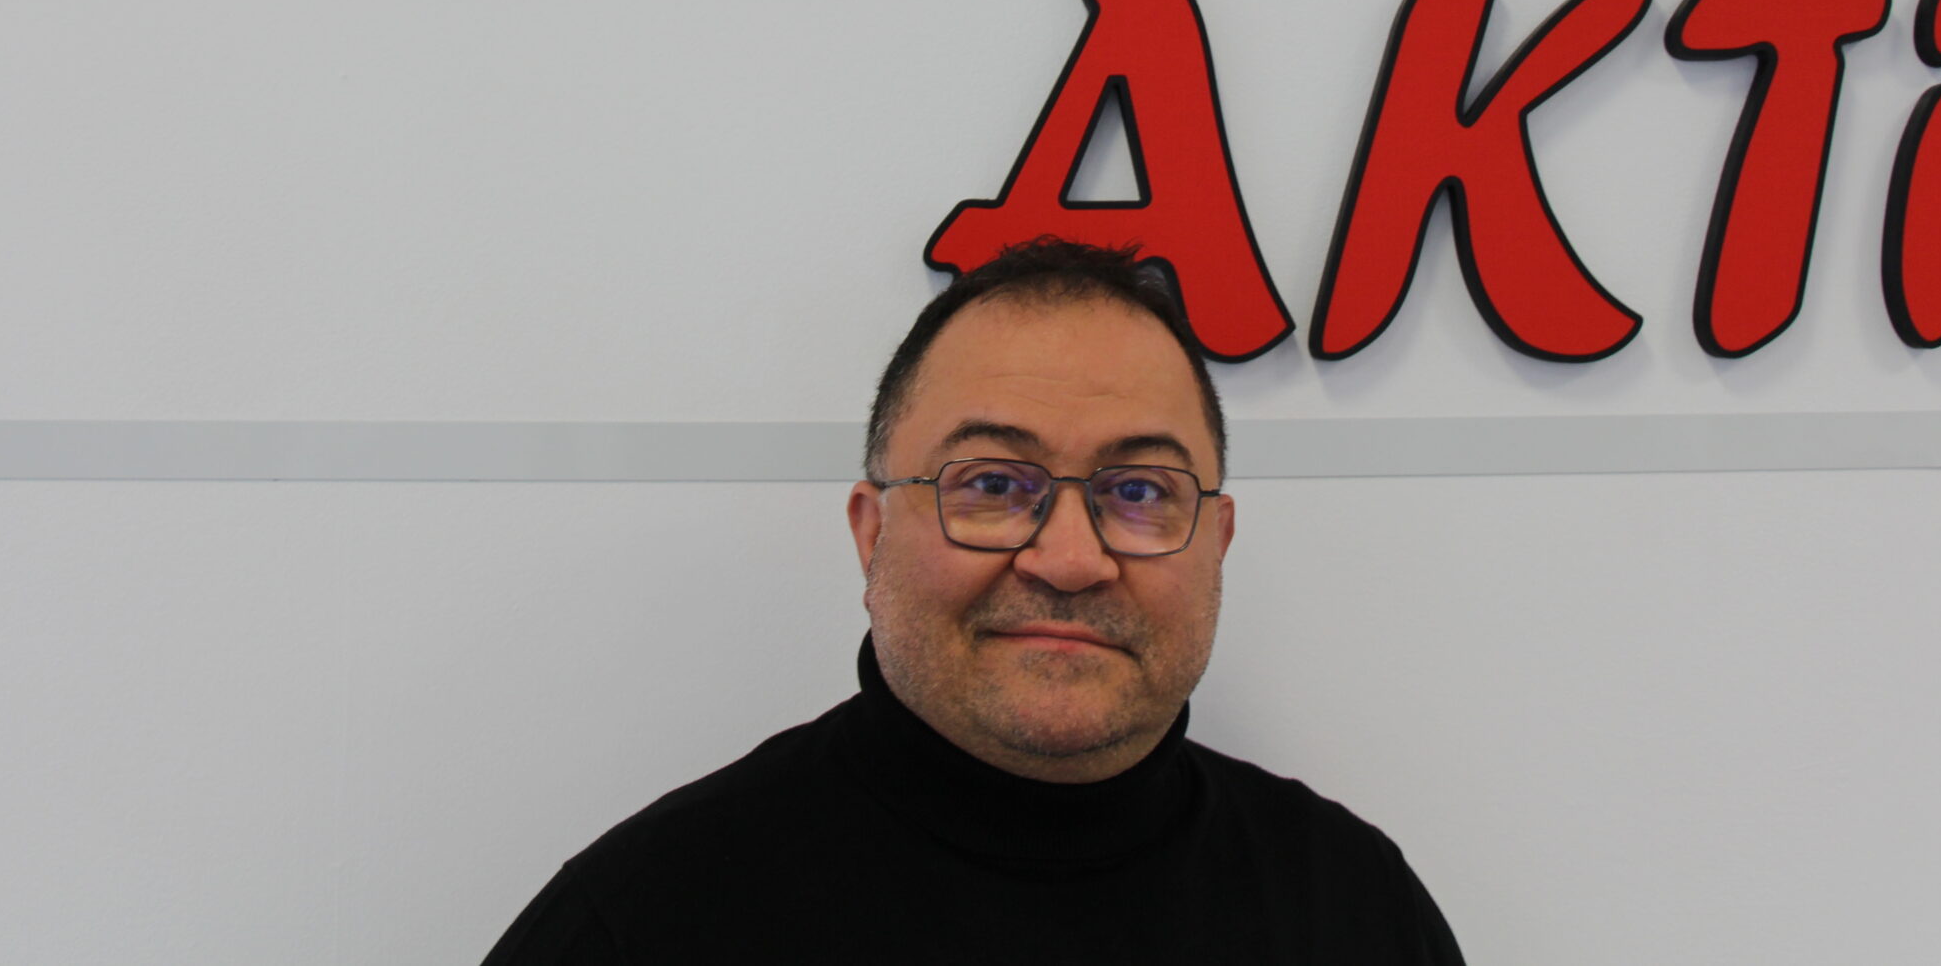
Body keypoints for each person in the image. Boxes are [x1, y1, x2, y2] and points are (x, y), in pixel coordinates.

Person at [481, 238, 1464, 963]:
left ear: (1216, 541)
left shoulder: (1353, 910)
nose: (1069, 560)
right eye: (993, 484)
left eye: (1138, 491)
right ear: (871, 533)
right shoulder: (644, 923)